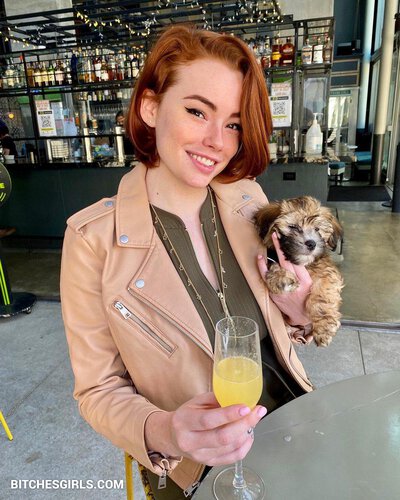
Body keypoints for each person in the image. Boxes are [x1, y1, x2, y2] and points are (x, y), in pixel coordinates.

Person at [61, 24, 314, 499]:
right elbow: (97, 391)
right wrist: (168, 431)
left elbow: (283, 328)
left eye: (234, 123)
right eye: (197, 111)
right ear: (151, 107)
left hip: (296, 426)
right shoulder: (93, 240)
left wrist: (299, 312)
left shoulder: (247, 200)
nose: (217, 140)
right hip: (196, 469)